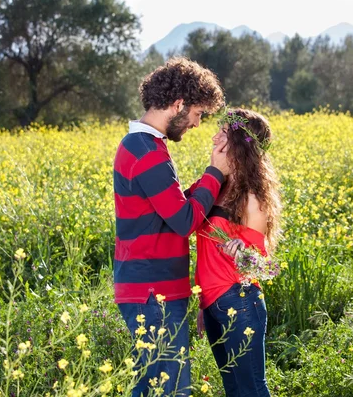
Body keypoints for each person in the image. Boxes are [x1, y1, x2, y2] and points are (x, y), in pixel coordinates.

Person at [113, 57, 228, 397]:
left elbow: (171, 208)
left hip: (153, 289)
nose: (196, 123)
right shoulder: (145, 150)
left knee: (155, 388)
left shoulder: (146, 146)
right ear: (179, 104)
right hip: (153, 292)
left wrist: (211, 183)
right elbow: (183, 221)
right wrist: (216, 172)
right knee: (169, 389)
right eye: (198, 113)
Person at [195, 108, 281, 397]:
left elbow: (263, 267)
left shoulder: (252, 198)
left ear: (239, 142)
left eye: (223, 132)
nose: (214, 136)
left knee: (252, 389)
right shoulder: (216, 184)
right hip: (213, 303)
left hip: (240, 301)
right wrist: (201, 306)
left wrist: (243, 251)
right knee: (234, 389)